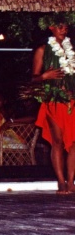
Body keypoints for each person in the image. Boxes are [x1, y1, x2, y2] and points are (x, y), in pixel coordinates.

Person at [32, 13, 75, 194]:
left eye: (65, 26)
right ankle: (60, 181)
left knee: (74, 143)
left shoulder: (72, 50)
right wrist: (44, 76)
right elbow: (33, 78)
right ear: (51, 28)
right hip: (53, 102)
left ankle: (71, 181)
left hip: (72, 101)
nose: (64, 29)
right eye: (60, 26)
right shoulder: (43, 50)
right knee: (57, 142)